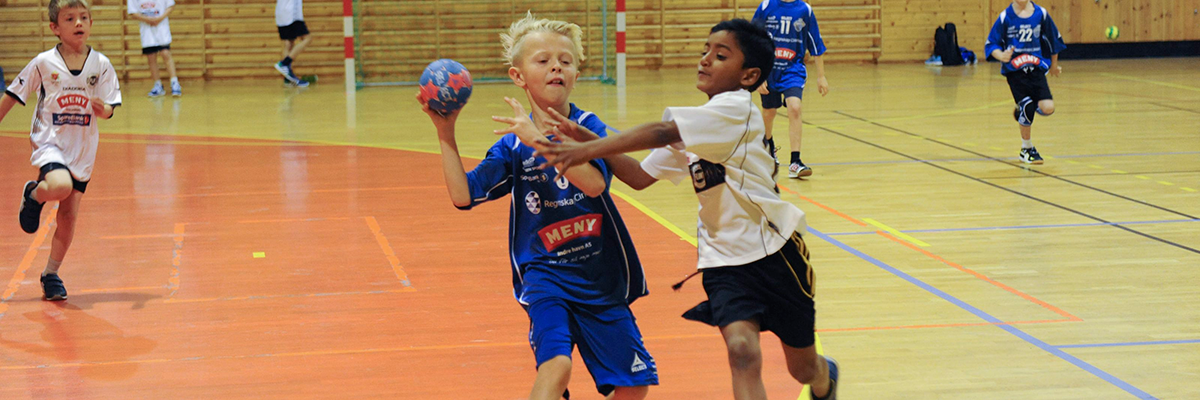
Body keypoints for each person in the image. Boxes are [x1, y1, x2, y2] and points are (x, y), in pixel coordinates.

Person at [532, 19, 839, 400]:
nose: (706, 59)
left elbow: (662, 132)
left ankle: (825, 379)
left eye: (720, 55)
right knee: (742, 351)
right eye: (705, 51)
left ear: (749, 76)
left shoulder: (737, 110)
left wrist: (586, 150)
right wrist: (589, 137)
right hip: (724, 261)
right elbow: (640, 177)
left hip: (775, 255)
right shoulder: (699, 125)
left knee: (803, 369)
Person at [416, 12, 656, 400]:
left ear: (576, 74)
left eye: (565, 60)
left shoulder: (588, 127)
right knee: (557, 366)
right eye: (543, 60)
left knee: (635, 386)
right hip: (545, 276)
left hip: (600, 277)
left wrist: (538, 140)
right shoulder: (513, 145)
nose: (556, 66)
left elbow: (594, 184)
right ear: (518, 76)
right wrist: (445, 131)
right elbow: (463, 195)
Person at [0, 0, 122, 301]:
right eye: (70, 18)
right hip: (50, 141)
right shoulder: (44, 62)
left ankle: (51, 274)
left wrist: (104, 109)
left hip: (82, 148)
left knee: (68, 216)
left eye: (83, 17)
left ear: (91, 23)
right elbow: (13, 94)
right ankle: (35, 194)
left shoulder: (101, 64)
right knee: (60, 185)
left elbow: (110, 107)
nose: (78, 23)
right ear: (55, 28)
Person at [752, 0, 828, 178]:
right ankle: (769, 148)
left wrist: (821, 76)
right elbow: (752, 41)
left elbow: (816, 44)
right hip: (769, 70)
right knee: (769, 112)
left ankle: (795, 162)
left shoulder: (805, 10)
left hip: (792, 70)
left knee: (795, 107)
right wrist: (757, 74)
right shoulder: (766, 6)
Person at [985, 0, 1066, 164]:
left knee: (1048, 108)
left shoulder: (1041, 14)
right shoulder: (1006, 17)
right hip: (1015, 72)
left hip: (1036, 70)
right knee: (1028, 105)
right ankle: (1026, 148)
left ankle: (1022, 110)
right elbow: (991, 43)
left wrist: (1054, 65)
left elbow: (1053, 40)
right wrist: (1001, 56)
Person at [127, 0, 181, 96]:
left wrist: (159, 18)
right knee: (151, 57)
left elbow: (170, 6)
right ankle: (157, 85)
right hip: (146, 29)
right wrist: (147, 19)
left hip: (161, 27)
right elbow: (132, 12)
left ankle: (174, 83)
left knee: (165, 53)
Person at [273, 0, 311, 87]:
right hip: (291, 14)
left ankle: (288, 78)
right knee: (307, 39)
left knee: (288, 43)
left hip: (281, 13)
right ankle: (285, 63)